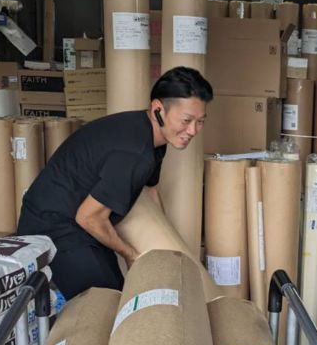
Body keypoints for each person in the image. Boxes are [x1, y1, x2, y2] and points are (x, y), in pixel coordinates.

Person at [17, 66, 212, 299]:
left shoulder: (153, 137)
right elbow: (88, 217)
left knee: (122, 292)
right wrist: (129, 254)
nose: (193, 130)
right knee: (107, 301)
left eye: (200, 121)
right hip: (53, 229)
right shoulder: (134, 153)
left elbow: (149, 190)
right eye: (186, 120)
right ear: (158, 109)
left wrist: (163, 244)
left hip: (77, 221)